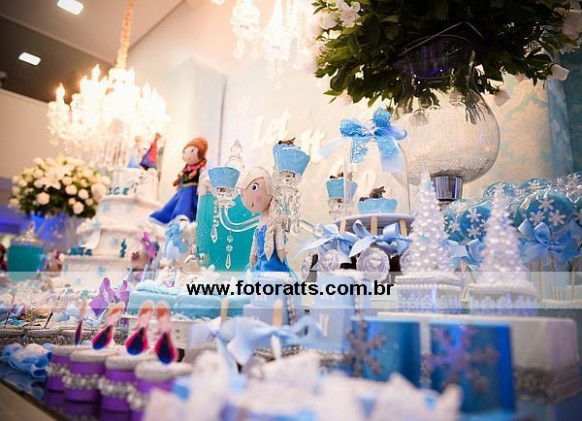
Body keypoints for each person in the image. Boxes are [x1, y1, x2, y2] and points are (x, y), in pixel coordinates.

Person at [238, 167, 290, 273]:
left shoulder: (274, 220)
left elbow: (278, 232)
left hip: (272, 263)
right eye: (242, 194)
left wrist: (280, 249)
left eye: (254, 187)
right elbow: (255, 240)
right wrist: (253, 255)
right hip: (261, 263)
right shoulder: (259, 225)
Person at [150, 137, 208, 225]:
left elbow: (204, 178)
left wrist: (201, 188)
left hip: (191, 192)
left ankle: (182, 220)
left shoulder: (200, 169)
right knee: (171, 205)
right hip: (182, 191)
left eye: (192, 151)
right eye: (184, 152)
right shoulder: (186, 169)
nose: (187, 155)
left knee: (185, 206)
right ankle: (163, 218)